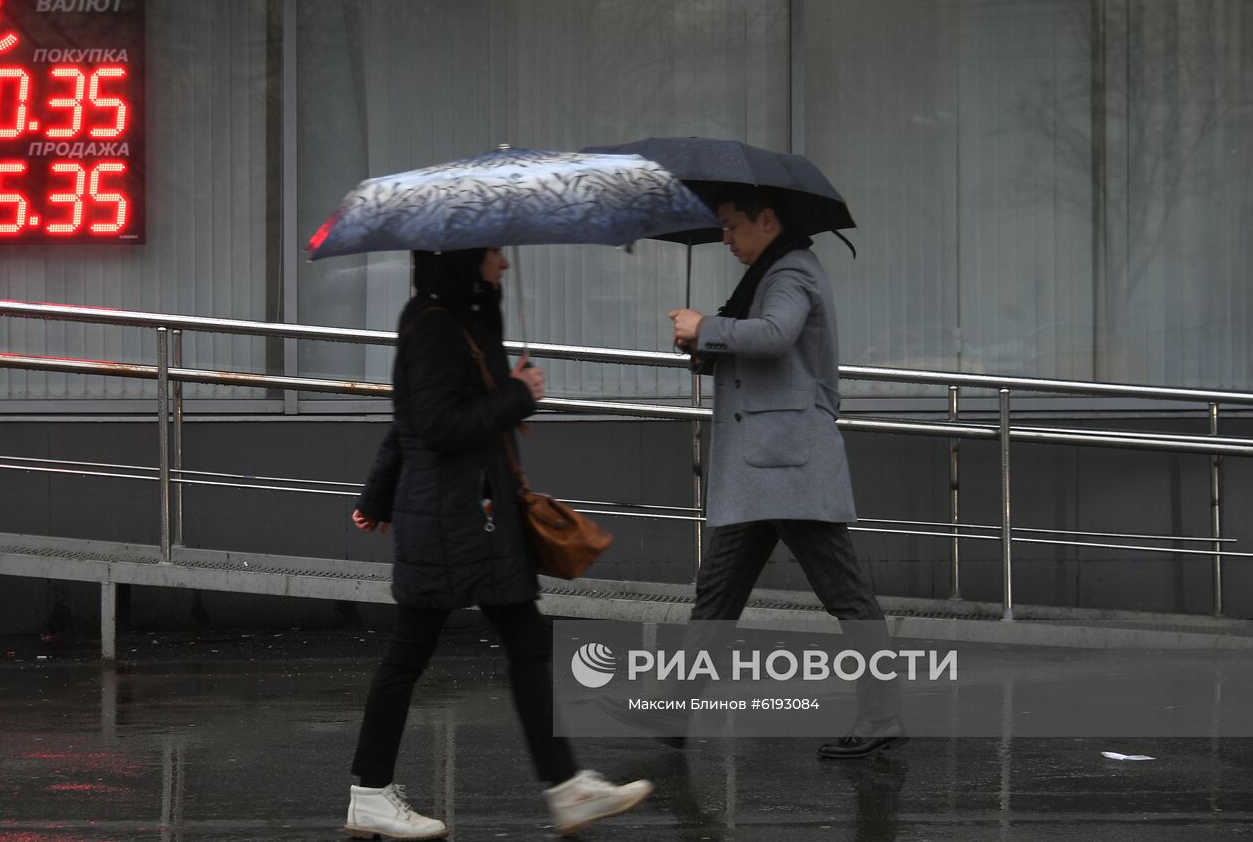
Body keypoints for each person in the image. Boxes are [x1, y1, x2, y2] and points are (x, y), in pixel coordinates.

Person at [345, 246, 653, 840]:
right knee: (412, 652)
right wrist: (517, 393)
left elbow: (406, 420)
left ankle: (566, 789)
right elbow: (433, 425)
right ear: (464, 259)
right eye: (493, 254)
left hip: (471, 513)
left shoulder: (458, 317)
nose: (504, 265)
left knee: (528, 638)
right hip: (451, 518)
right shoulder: (436, 326)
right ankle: (370, 793)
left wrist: (378, 497)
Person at [666, 183, 905, 759]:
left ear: (766, 219)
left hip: (788, 464)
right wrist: (707, 345)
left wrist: (706, 327)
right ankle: (670, 711)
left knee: (844, 594)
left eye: (732, 226)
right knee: (717, 594)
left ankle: (883, 716)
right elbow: (761, 348)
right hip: (765, 466)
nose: (724, 237)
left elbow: (776, 335)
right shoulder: (771, 271)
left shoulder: (791, 270)